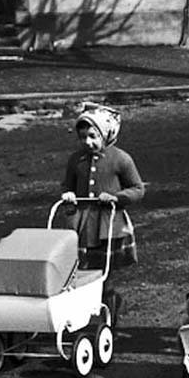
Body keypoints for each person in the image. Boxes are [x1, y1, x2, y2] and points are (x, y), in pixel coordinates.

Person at [61, 104, 145, 323]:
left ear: (106, 133)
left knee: (104, 275)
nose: (87, 142)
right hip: (82, 223)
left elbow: (138, 189)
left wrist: (116, 197)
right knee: (81, 272)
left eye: (92, 136)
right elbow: (67, 185)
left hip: (109, 225)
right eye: (82, 137)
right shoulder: (75, 160)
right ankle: (82, 314)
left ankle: (108, 317)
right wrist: (68, 195)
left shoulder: (121, 159)